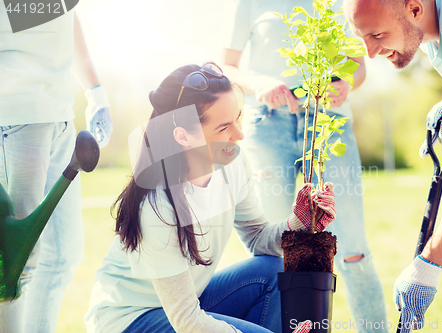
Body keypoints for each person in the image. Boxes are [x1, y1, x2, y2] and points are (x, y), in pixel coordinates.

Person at [84, 63, 337, 333]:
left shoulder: (234, 165)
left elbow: (258, 238)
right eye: (223, 128)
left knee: (274, 270)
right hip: (130, 319)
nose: (239, 135)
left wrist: (299, 221)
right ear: (183, 136)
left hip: (188, 303)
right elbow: (187, 321)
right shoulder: (157, 205)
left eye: (238, 118)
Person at [219, 1, 388, 332]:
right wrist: (260, 85)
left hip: (329, 124)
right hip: (268, 125)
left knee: (353, 249)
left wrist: (346, 83)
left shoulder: (344, 4)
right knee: (275, 251)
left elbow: (359, 66)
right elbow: (226, 67)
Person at [342, 0, 442, 331]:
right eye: (362, 38)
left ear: (414, 9)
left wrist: (427, 268)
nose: (370, 53)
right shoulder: (429, 31)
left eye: (378, 35)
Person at [0, 8, 113, 333]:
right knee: (14, 265)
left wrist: (96, 92)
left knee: (62, 255)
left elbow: (66, 12)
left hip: (59, 113)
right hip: (15, 114)